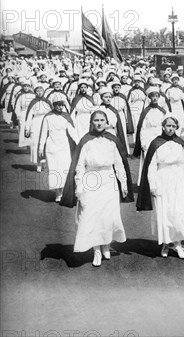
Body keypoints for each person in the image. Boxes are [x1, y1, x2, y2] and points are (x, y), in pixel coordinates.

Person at [59, 110, 133, 267]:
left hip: (109, 180)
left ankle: (106, 244)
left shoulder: (112, 140)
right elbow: (79, 166)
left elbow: (119, 163)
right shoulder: (86, 141)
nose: (99, 123)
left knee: (108, 216)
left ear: (106, 122)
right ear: (91, 123)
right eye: (96, 120)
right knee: (91, 215)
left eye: (102, 120)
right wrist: (79, 186)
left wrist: (124, 183)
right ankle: (96, 250)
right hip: (91, 180)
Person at [137, 114, 184, 259]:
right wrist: (153, 185)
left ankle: (178, 244)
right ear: (163, 127)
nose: (170, 129)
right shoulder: (156, 143)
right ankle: (165, 243)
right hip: (162, 179)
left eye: (173, 126)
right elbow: (151, 167)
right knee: (164, 212)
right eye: (168, 126)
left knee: (179, 212)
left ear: (176, 128)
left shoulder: (179, 143)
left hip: (178, 180)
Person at [37, 100, 78, 202]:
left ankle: (63, 191)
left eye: (62, 105)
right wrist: (41, 147)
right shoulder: (48, 117)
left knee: (64, 168)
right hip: (52, 145)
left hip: (63, 145)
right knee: (54, 169)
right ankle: (57, 193)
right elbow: (43, 133)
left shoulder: (66, 116)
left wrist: (79, 143)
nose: (60, 107)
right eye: (58, 105)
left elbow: (72, 132)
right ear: (54, 105)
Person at [133, 87, 168, 184]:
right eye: (153, 96)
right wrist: (143, 142)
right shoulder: (145, 112)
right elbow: (142, 128)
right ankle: (145, 182)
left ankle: (157, 181)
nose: (155, 98)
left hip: (159, 137)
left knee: (159, 159)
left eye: (157, 96)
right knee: (147, 159)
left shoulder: (162, 111)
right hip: (148, 137)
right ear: (149, 98)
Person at [24, 83, 53, 172]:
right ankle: (38, 164)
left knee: (46, 142)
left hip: (46, 122)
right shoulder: (33, 102)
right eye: (37, 91)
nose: (39, 93)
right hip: (36, 123)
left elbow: (52, 114)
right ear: (35, 92)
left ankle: (45, 163)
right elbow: (29, 116)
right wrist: (27, 128)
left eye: (41, 91)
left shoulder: (47, 102)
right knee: (36, 143)